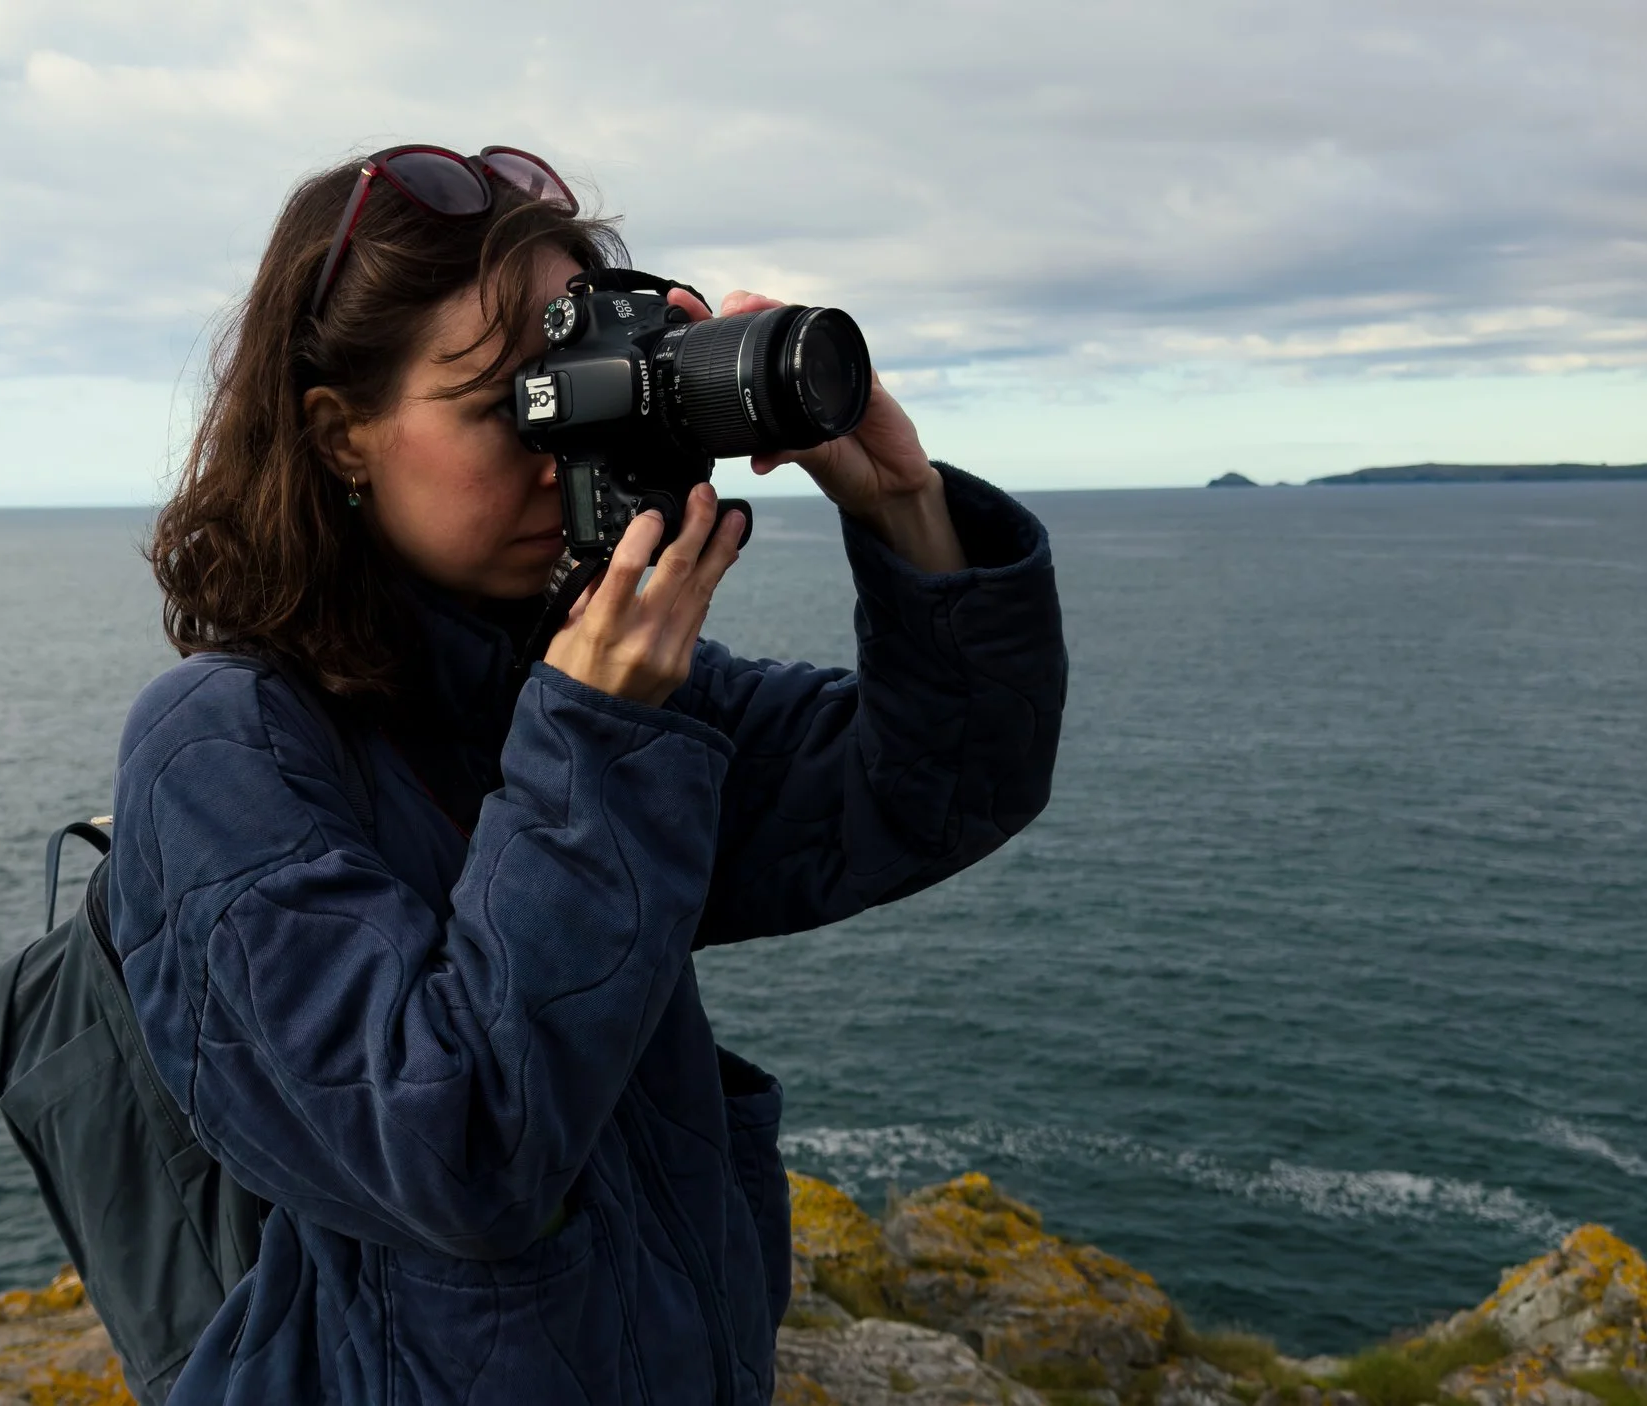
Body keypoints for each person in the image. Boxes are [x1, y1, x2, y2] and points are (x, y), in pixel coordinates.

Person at [109, 144, 1068, 1406]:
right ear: (342, 436)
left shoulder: (574, 695)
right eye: (503, 406)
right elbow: (455, 1151)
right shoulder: (220, 747)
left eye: (575, 393)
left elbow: (940, 788)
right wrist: (599, 728)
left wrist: (904, 510)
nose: (557, 450)